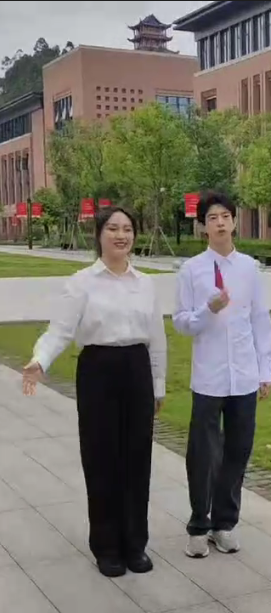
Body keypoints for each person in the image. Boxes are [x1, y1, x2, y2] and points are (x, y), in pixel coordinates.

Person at [22, 207, 167, 578]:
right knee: (101, 459)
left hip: (136, 369)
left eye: (128, 229)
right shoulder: (82, 282)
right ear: (99, 235)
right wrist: (40, 360)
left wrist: (158, 385)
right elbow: (59, 330)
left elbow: (156, 338)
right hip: (98, 370)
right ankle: (107, 547)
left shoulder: (146, 284)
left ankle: (135, 544)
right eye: (113, 228)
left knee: (137, 460)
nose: (121, 235)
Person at [173, 190, 271, 559]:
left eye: (225, 216)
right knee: (203, 454)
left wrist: (265, 369)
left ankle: (225, 524)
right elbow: (181, 322)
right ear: (203, 226)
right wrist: (208, 310)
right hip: (209, 377)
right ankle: (199, 526)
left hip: (244, 376)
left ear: (234, 222)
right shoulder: (191, 270)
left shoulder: (249, 268)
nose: (219, 223)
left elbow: (260, 319)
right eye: (212, 218)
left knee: (237, 451)